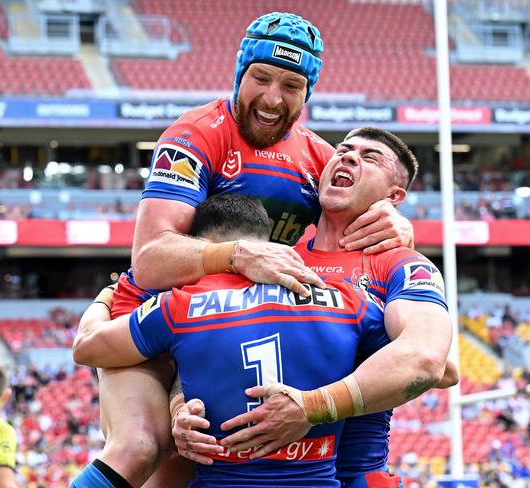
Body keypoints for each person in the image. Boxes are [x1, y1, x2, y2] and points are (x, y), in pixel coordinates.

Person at [83, 11, 415, 488]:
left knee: (208, 462)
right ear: (241, 73)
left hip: (231, 326)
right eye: (261, 78)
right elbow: (151, 260)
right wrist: (238, 255)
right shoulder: (194, 136)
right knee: (144, 445)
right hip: (155, 313)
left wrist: (397, 220)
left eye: (291, 85)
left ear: (308, 93)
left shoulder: (321, 158)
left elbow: (362, 208)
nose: (273, 98)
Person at [170, 128, 459, 487]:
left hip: (352, 476)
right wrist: (178, 408)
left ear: (394, 195)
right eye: (343, 149)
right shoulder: (271, 257)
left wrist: (314, 406)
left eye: (370, 157)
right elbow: (204, 344)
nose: (349, 156)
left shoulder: (401, 265)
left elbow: (432, 362)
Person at [73, 193, 408, 487]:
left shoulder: (180, 304)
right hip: (322, 479)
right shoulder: (348, 301)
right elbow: (425, 366)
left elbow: (88, 347)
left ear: (204, 241)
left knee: (136, 448)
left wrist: (108, 295)